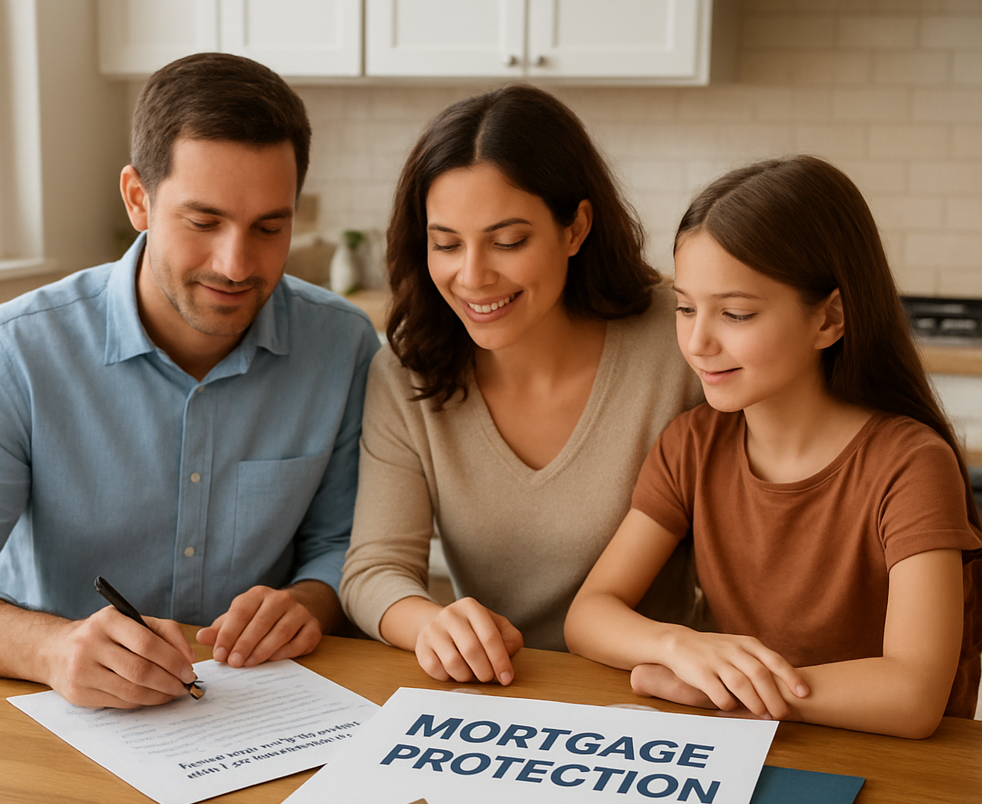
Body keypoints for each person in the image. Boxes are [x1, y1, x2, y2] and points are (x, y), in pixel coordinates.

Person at [0, 53, 378, 708]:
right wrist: (51, 648)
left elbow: (338, 547)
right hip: (54, 714)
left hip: (256, 711)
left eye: (271, 226)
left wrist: (306, 603)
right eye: (203, 222)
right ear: (138, 199)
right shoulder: (8, 353)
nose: (236, 264)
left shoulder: (344, 345)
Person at [565, 156, 982, 739]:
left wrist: (727, 695)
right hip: (746, 749)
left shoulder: (911, 464)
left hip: (883, 767)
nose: (698, 341)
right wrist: (679, 646)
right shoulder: (690, 446)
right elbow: (589, 615)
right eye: (685, 307)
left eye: (735, 313)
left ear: (829, 318)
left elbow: (912, 696)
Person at [340, 84, 703, 686]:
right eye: (446, 244)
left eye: (508, 242)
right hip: (500, 696)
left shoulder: (678, 341)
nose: (473, 277)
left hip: (659, 691)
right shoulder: (407, 373)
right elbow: (374, 569)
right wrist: (431, 624)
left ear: (575, 228)